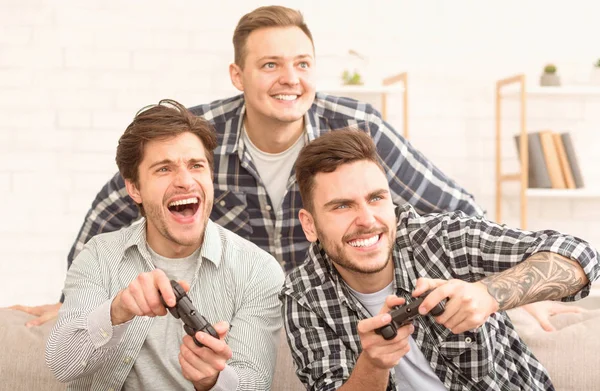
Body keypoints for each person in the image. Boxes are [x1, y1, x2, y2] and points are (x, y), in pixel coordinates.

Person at [12, 5, 578, 329]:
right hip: (239, 321)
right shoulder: (197, 137)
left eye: (303, 63)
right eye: (271, 64)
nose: (290, 78)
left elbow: (455, 208)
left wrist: (499, 293)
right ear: (238, 76)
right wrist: (74, 300)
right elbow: (115, 206)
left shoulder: (357, 127)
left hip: (338, 314)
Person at [279, 128, 599, 391]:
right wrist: (373, 364)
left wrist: (490, 293)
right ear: (310, 225)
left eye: (376, 198)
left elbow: (581, 256)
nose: (367, 219)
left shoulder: (440, 238)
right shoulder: (303, 297)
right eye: (342, 206)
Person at [45, 99, 284, 391]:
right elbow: (61, 363)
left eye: (196, 165)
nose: (185, 181)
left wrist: (213, 379)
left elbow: (255, 383)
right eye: (163, 169)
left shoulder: (258, 271)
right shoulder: (99, 256)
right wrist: (116, 311)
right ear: (134, 188)